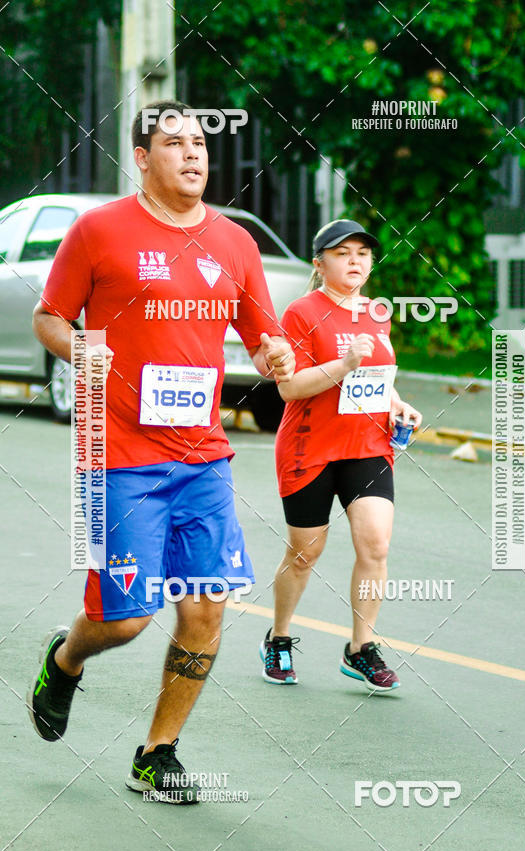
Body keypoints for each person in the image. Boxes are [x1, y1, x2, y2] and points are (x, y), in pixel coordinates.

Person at [28, 99, 294, 804]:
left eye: (200, 143)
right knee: (126, 617)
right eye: (173, 142)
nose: (192, 153)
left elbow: (266, 332)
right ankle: (67, 658)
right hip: (118, 456)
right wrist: (81, 345)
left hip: (203, 456)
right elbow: (49, 316)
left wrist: (274, 349)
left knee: (206, 607)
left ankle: (158, 751)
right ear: (142, 158)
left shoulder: (234, 243)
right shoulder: (99, 231)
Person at [260, 219, 422, 692]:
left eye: (363, 254)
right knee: (305, 552)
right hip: (310, 446)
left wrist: (397, 404)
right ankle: (280, 636)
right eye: (342, 253)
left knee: (375, 545)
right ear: (319, 263)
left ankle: (360, 648)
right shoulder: (300, 313)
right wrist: (343, 363)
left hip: (367, 446)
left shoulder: (377, 312)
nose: (355, 261)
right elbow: (290, 389)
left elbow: (379, 380)